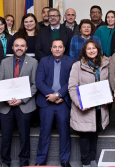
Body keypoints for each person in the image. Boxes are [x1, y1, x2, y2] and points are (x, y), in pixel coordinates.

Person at [68, 40, 111, 167]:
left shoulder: (105, 64)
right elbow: (72, 87)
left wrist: (108, 96)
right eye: (89, 48)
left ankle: (93, 159)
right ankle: (85, 162)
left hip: (99, 108)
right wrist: (79, 103)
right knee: (85, 136)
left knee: (95, 134)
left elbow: (107, 83)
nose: (92, 50)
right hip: (84, 107)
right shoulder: (77, 65)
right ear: (84, 51)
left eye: (94, 48)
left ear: (98, 49)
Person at [0, 38, 38, 167]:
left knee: (25, 136)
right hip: (6, 105)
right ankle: (5, 161)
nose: (19, 48)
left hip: (25, 105)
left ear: (26, 48)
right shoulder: (4, 62)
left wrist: (22, 99)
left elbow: (35, 85)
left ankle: (24, 161)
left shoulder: (33, 62)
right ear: (12, 48)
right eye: (16, 46)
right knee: (6, 136)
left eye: (22, 46)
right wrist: (6, 98)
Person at [35, 39, 74, 167]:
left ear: (63, 48)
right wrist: (52, 95)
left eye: (60, 47)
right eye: (55, 47)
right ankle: (41, 161)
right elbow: (39, 81)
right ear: (51, 49)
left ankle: (64, 160)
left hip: (63, 102)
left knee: (64, 133)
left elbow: (71, 82)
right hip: (46, 102)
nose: (57, 49)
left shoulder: (71, 62)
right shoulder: (43, 61)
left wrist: (58, 95)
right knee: (44, 132)